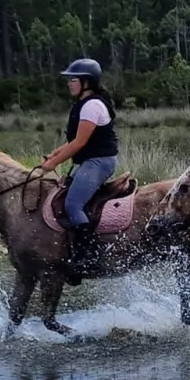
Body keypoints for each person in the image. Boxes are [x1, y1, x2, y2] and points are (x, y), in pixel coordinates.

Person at [35, 57, 118, 279]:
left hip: (99, 162)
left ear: (86, 82)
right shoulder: (84, 104)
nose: (69, 83)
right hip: (89, 161)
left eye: (73, 79)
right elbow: (75, 140)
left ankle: (89, 255)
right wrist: (54, 154)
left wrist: (53, 164)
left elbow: (80, 144)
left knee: (73, 204)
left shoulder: (92, 106)